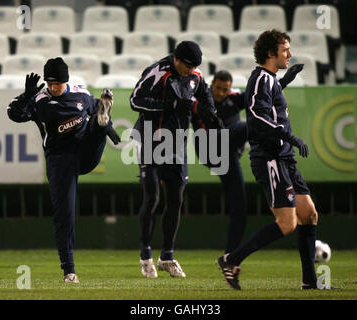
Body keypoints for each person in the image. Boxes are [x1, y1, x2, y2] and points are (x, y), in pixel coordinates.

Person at [216, 29, 319, 290]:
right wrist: (291, 137)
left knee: (308, 214)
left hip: (284, 156)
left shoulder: (269, 78)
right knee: (287, 223)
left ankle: (310, 282)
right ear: (271, 53)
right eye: (285, 49)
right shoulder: (261, 78)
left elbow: (267, 99)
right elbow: (258, 117)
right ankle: (231, 260)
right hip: (270, 157)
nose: (290, 54)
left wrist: (284, 81)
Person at [7, 57, 120, 283]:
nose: (52, 87)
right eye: (49, 83)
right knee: (64, 214)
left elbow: (97, 102)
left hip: (85, 151)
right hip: (60, 160)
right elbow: (13, 114)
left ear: (65, 81)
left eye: (57, 83)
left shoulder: (81, 94)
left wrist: (108, 128)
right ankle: (69, 271)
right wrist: (26, 95)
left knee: (96, 123)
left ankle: (100, 123)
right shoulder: (39, 100)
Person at [130, 41, 224, 278]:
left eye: (194, 67)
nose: (191, 71)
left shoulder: (196, 75)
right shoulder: (157, 72)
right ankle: (145, 255)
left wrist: (212, 115)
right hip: (151, 139)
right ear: (177, 60)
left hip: (177, 143)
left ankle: (167, 256)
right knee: (152, 196)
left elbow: (205, 97)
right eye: (188, 66)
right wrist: (169, 105)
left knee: (176, 199)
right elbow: (135, 100)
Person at [192, 67, 303, 253]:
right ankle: (273, 147)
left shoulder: (234, 98)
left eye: (224, 90)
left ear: (229, 89)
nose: (220, 93)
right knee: (250, 124)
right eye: (217, 88)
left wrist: (283, 81)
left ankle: (230, 256)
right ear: (212, 85)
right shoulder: (200, 102)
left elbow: (261, 96)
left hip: (227, 157)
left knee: (239, 207)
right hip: (209, 150)